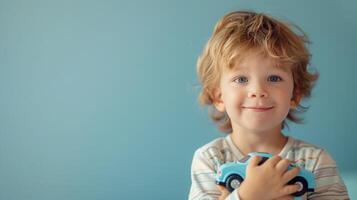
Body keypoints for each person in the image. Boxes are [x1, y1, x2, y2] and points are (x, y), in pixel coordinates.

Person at [189, 11, 349, 200]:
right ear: (219, 97)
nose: (258, 90)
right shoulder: (210, 159)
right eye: (241, 79)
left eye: (274, 78)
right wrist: (248, 196)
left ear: (295, 95)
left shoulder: (316, 162)